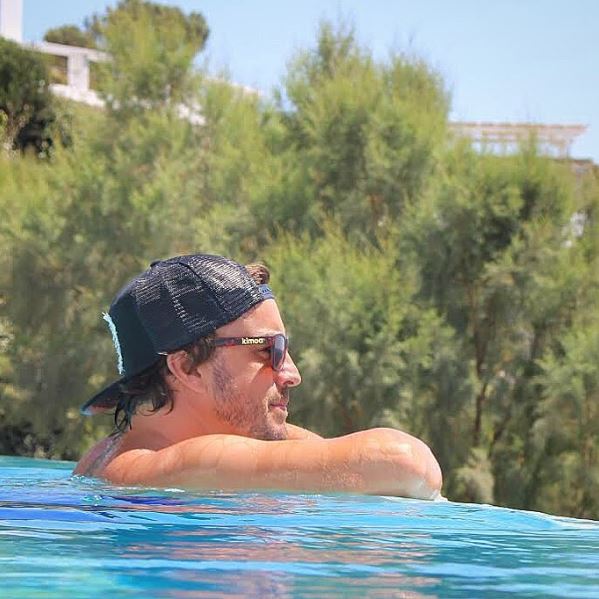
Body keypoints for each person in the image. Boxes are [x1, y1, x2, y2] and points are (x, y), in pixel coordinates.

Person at [74, 253, 442, 499]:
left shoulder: (108, 458)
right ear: (187, 368)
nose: (292, 374)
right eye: (268, 350)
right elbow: (404, 462)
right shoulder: (181, 467)